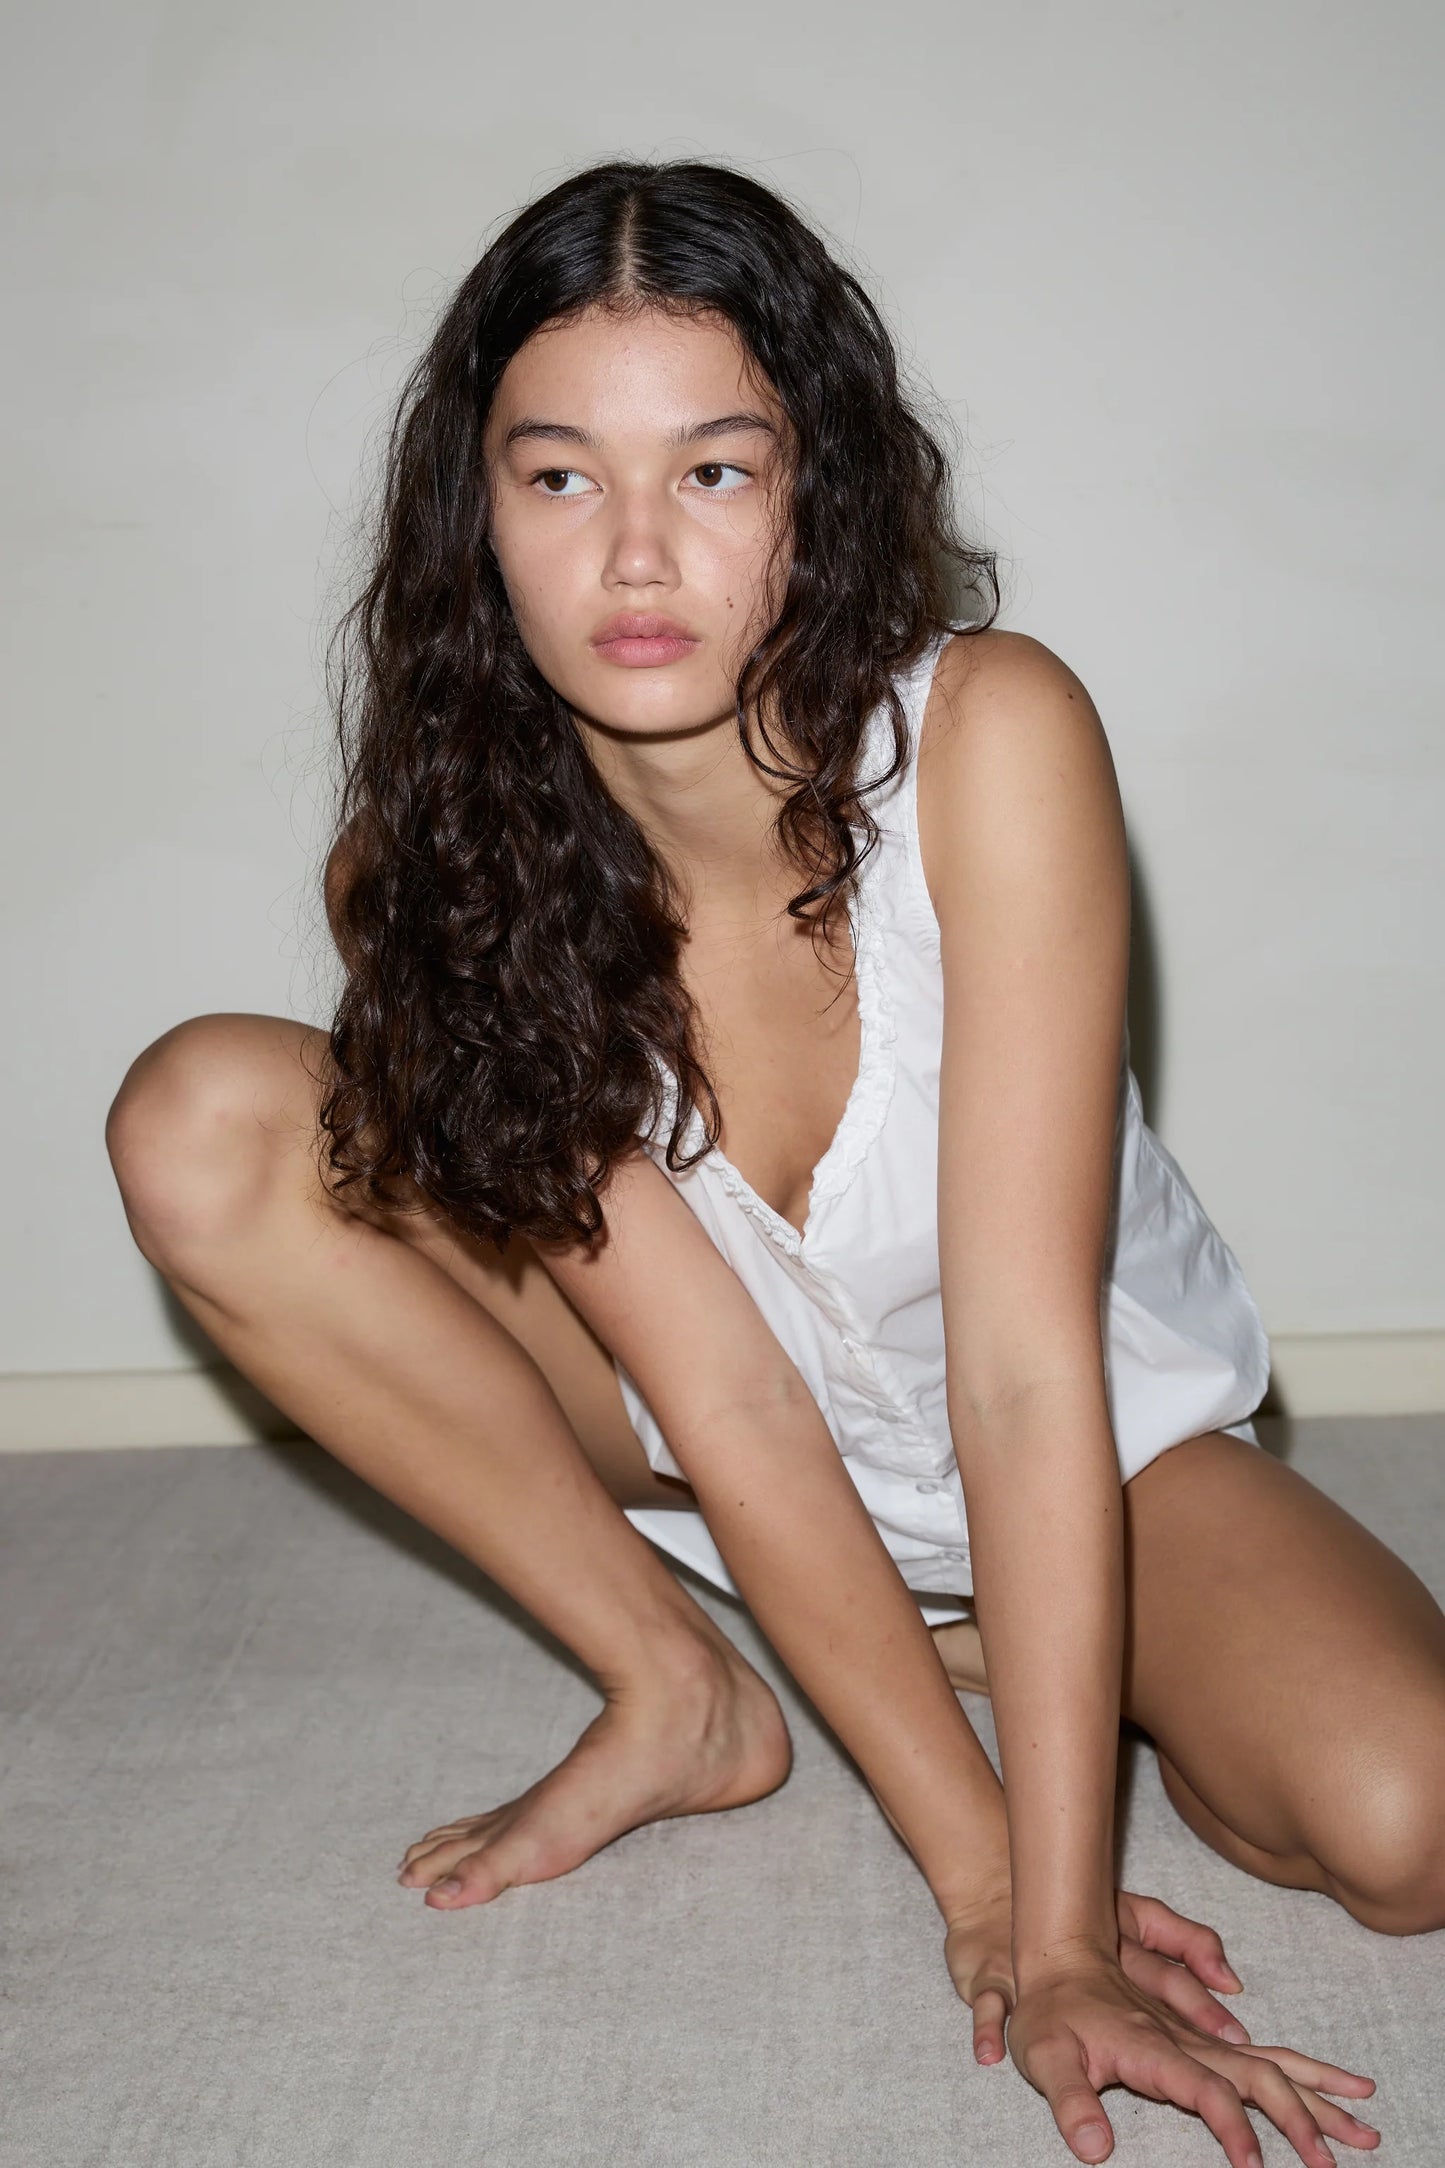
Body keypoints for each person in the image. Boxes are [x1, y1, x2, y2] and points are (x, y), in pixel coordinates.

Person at [104, 157, 1439, 2168]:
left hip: (1088, 1434)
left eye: (715, 472)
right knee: (207, 1116)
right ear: (477, 515)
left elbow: (1017, 1368)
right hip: (709, 1435)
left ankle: (1010, 1633)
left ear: (817, 494)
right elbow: (723, 1399)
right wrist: (996, 1894)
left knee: (1404, 1828)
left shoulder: (993, 744)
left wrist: (1071, 1914)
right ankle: (684, 1690)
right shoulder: (443, 866)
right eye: (560, 478)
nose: (637, 554)